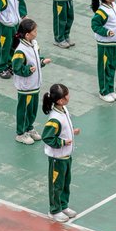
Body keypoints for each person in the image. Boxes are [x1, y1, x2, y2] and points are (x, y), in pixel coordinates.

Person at [40, 82, 79, 222]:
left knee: (65, 183)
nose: (69, 96)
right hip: (57, 158)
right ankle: (55, 210)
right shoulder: (55, 119)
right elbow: (47, 137)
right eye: (67, 94)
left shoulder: (64, 110)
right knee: (56, 185)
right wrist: (62, 142)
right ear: (61, 100)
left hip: (66, 156)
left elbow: (63, 129)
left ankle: (63, 205)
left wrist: (72, 132)